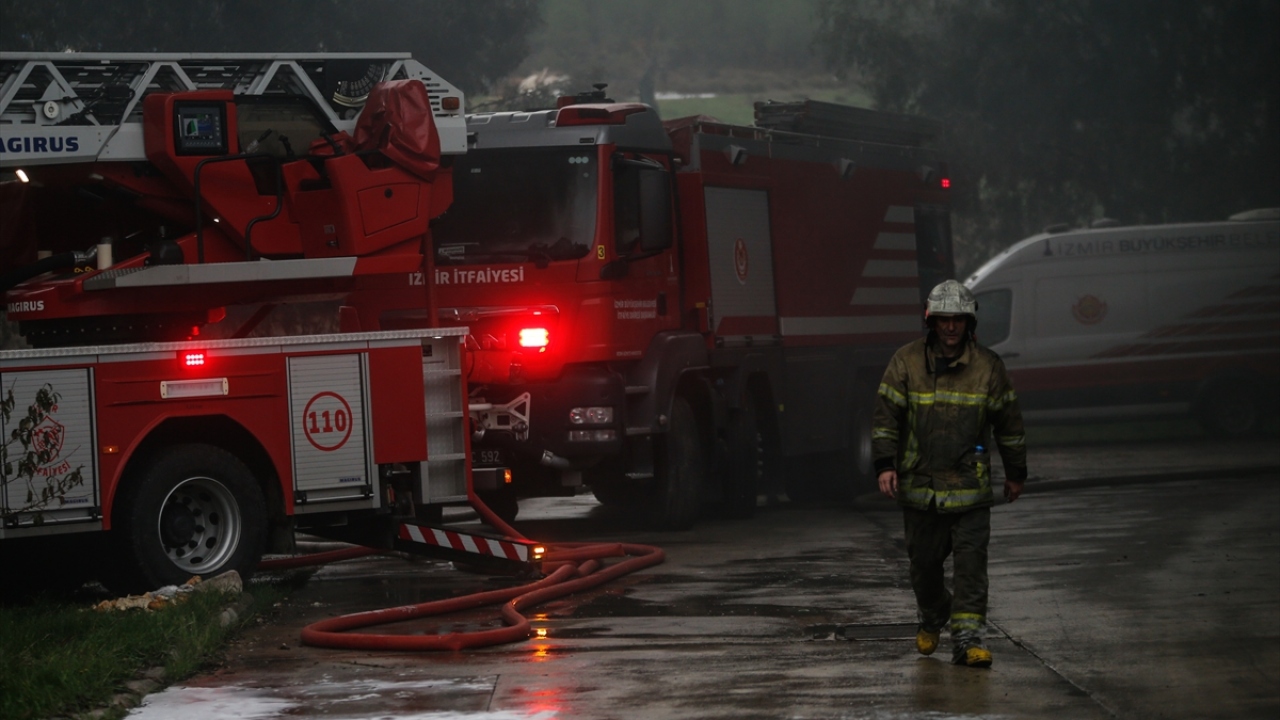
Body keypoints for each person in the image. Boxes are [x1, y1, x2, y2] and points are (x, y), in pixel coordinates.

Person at [872, 279, 1028, 668]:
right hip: (920, 487)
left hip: (969, 490)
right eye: (944, 320)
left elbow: (1010, 425)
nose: (951, 327)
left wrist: (1015, 473)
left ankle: (968, 640)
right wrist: (885, 464)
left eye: (958, 319)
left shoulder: (989, 367)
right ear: (932, 321)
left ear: (969, 322)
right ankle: (932, 613)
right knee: (923, 568)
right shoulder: (905, 362)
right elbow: (885, 418)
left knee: (971, 566)